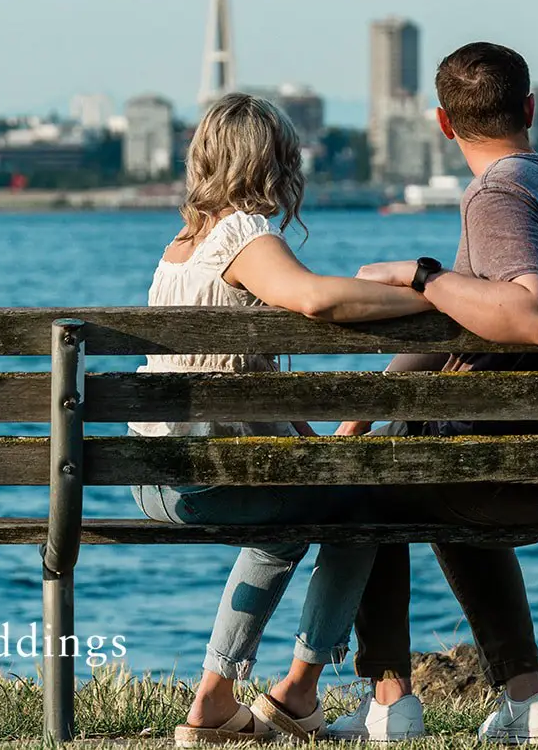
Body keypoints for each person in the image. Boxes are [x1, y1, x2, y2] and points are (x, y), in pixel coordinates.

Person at [327, 42, 538, 745]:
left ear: (442, 123)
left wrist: (421, 276)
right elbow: (453, 329)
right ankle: (530, 700)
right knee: (429, 467)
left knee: (374, 485)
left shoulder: (497, 194)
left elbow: (532, 314)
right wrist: (361, 417)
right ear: (530, 108)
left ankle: (390, 703)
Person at [129, 93, 433, 746]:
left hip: (152, 476)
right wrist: (420, 288)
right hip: (207, 473)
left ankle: (217, 702)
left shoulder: (181, 246)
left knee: (294, 520)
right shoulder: (242, 233)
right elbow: (314, 296)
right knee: (362, 505)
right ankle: (295, 690)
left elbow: (242, 366)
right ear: (274, 162)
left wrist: (308, 442)